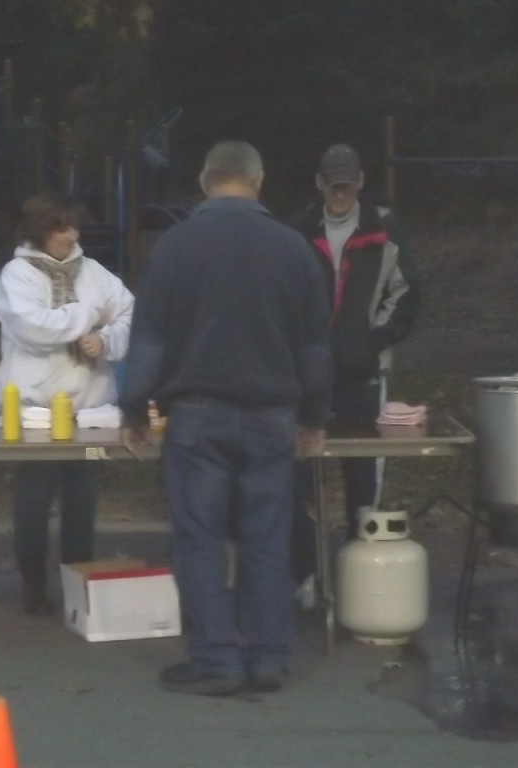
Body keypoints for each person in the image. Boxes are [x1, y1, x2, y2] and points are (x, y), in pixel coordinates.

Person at [120, 141, 331, 696]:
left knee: (200, 539)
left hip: (196, 416)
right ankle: (267, 657)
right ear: (258, 183)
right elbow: (314, 344)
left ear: (204, 181)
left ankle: (216, 659)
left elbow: (149, 340)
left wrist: (133, 407)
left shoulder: (175, 247)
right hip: (272, 417)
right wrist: (314, 413)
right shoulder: (293, 248)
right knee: (268, 537)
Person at [288, 144, 421, 598]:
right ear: (319, 183)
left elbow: (406, 296)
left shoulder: (384, 229)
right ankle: (305, 575)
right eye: (332, 184)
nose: (340, 192)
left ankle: (357, 579)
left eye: (347, 184)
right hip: (309, 379)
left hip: (365, 378)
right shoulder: (299, 233)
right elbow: (286, 300)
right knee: (301, 475)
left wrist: (371, 341)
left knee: (363, 478)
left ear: (361, 181)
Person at [0, 191, 134, 615]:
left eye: (73, 226)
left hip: (89, 410)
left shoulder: (92, 271)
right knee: (35, 495)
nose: (70, 235)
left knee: (82, 496)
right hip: (35, 411)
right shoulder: (16, 275)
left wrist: (106, 339)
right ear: (39, 231)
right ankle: (33, 584)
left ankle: (78, 580)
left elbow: (128, 310)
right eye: (60, 228)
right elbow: (33, 327)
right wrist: (89, 317)